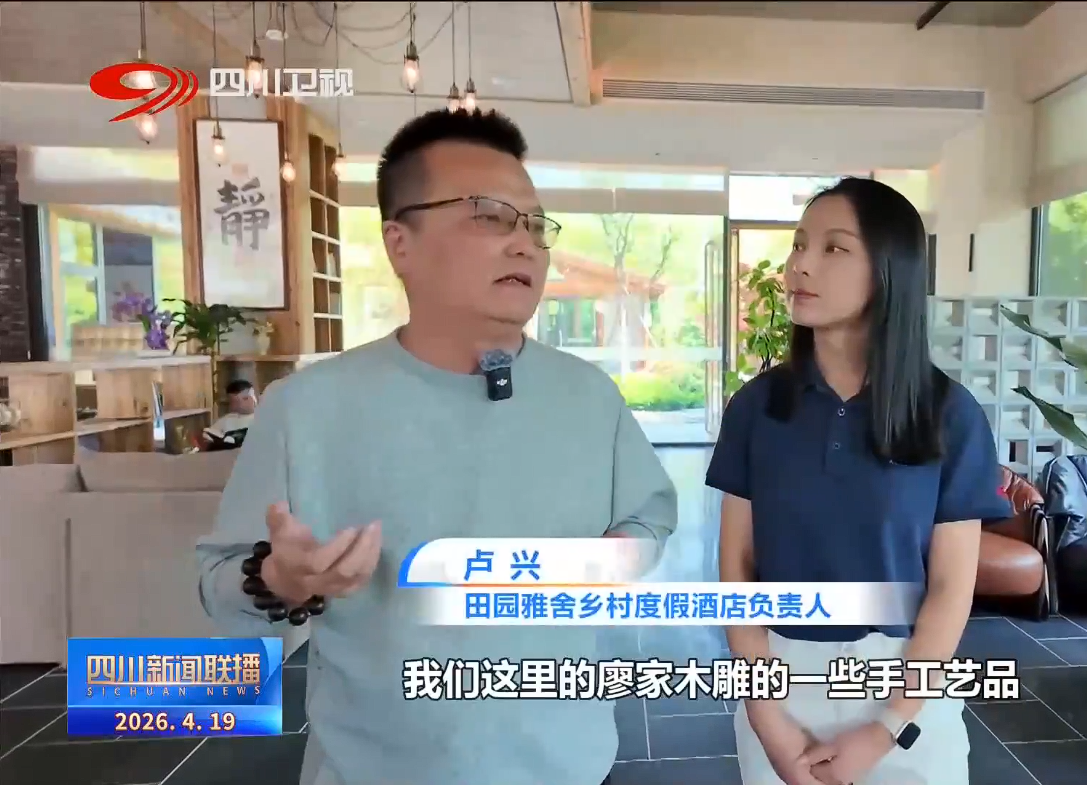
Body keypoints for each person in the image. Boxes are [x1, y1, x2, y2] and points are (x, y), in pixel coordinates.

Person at [195, 108, 678, 785]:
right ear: (401, 243)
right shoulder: (305, 406)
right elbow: (218, 584)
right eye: (490, 216)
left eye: (536, 225)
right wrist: (281, 577)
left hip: (565, 762)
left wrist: (618, 556)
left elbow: (649, 516)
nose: (525, 244)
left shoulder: (590, 395)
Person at [707, 177, 1011, 785]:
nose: (800, 264)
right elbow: (736, 568)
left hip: (906, 688)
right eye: (799, 244)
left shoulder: (949, 414)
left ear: (889, 270)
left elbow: (951, 588)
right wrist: (765, 715)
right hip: (781, 679)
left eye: (834, 248)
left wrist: (887, 727)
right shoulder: (757, 408)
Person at [203, 379, 257, 449]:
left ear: (248, 399)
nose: (232, 406)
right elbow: (209, 437)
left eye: (235, 402)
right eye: (231, 402)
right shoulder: (225, 421)